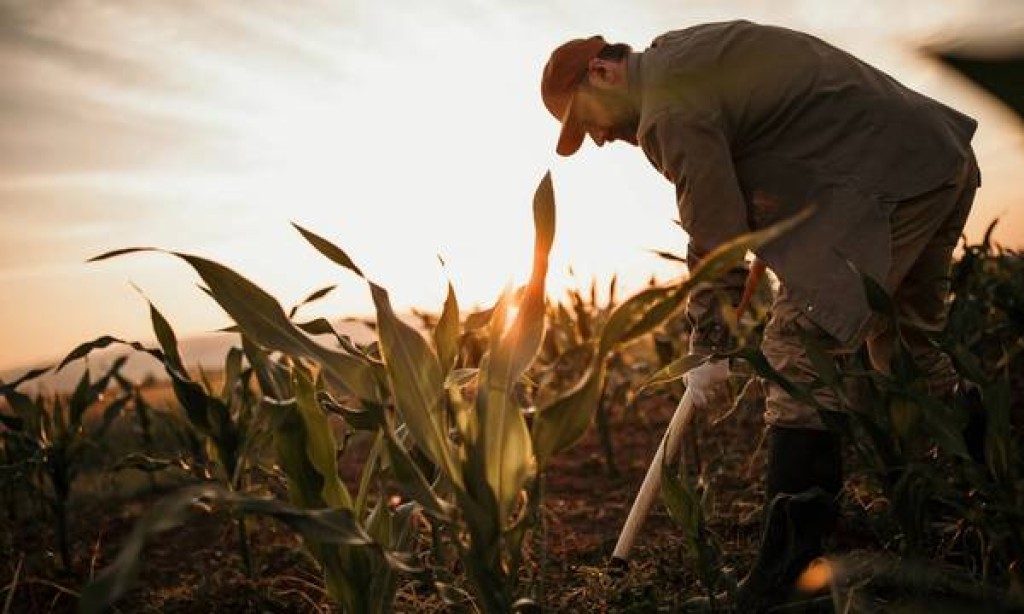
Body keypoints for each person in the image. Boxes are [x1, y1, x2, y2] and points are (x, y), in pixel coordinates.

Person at [540, 20, 980, 612]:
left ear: (602, 72)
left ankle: (789, 582)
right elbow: (774, 136)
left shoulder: (666, 108)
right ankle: (978, 494)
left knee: (800, 347)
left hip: (886, 182)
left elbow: (714, 231)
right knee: (905, 352)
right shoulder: (676, 57)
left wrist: (708, 346)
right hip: (932, 158)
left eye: (583, 119)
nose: (594, 137)